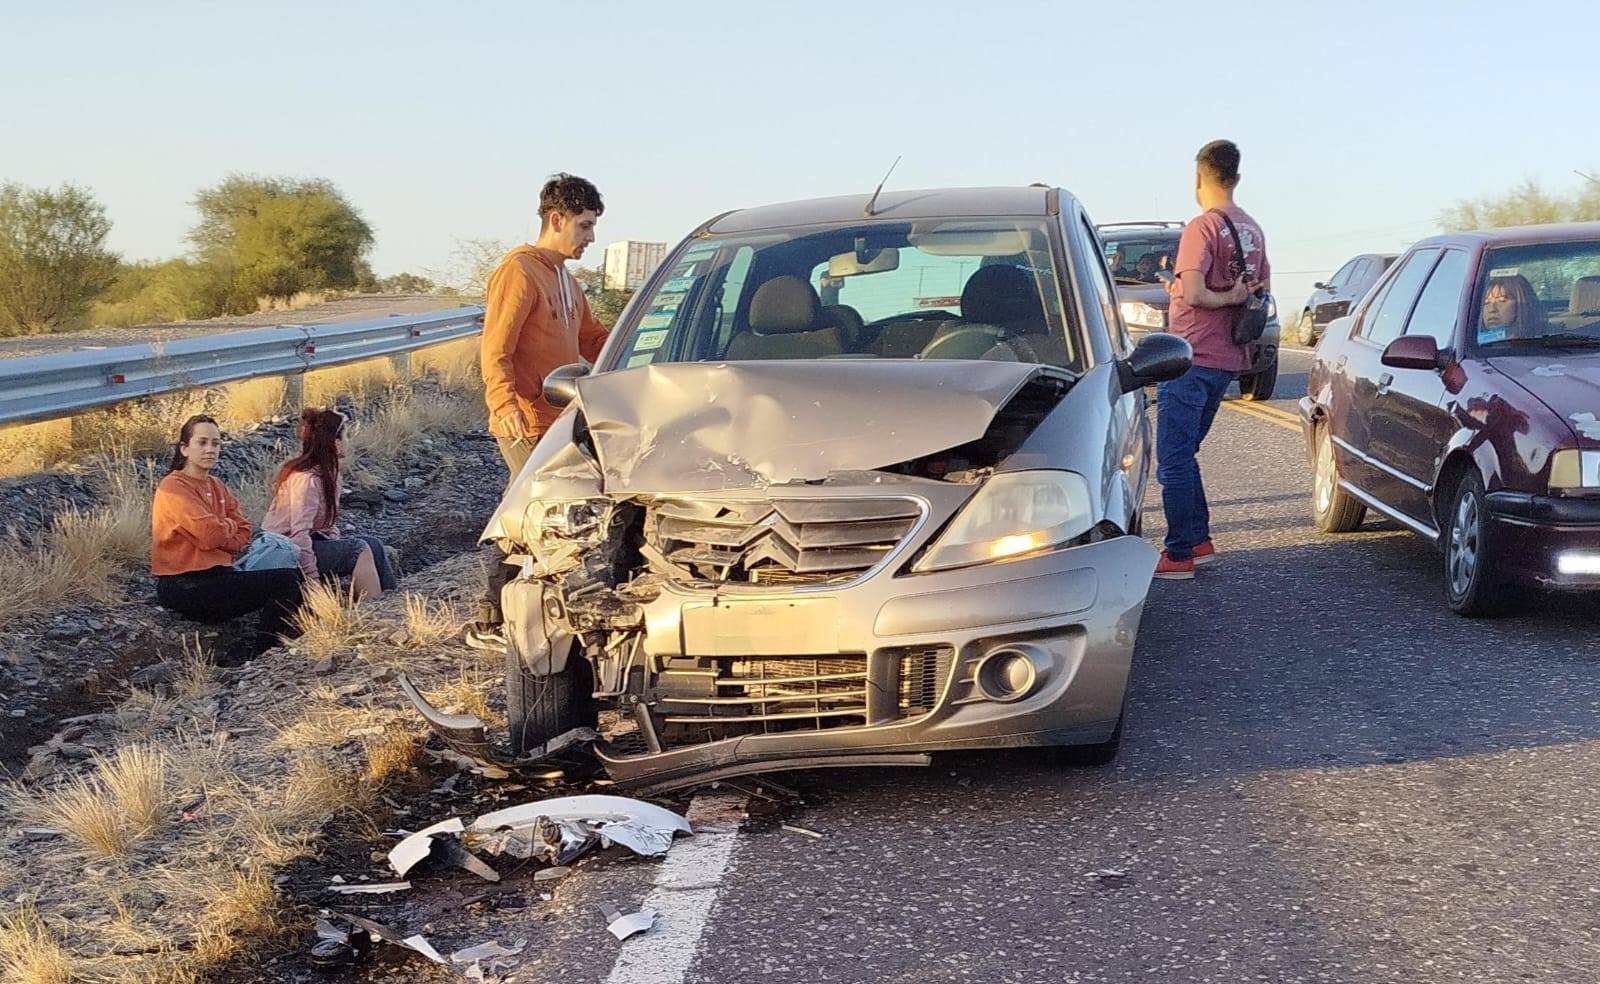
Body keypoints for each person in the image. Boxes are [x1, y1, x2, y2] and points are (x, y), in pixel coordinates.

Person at [468, 173, 610, 650]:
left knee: (539, 512)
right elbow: (495, 349)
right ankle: (489, 620)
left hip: (561, 419)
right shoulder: (519, 272)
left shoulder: (567, 280)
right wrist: (503, 402)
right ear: (557, 219)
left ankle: (519, 615)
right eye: (585, 226)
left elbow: (592, 339)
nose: (591, 237)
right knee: (524, 513)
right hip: (525, 418)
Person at [1154, 139, 1271, 580]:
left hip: (1189, 355)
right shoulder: (1253, 230)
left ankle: (1179, 553)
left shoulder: (1201, 228)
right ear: (1236, 178)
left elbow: (1199, 293)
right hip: (1226, 359)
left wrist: (1209, 294)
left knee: (1173, 459)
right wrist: (1230, 294)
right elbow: (1259, 291)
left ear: (1199, 177)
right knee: (1186, 453)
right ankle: (1198, 539)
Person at [152, 414, 304, 659]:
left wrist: (223, 529)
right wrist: (225, 528)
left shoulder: (216, 485)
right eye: (202, 443)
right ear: (184, 448)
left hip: (218, 575)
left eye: (216, 443)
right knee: (285, 581)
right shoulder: (173, 487)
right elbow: (211, 536)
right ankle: (263, 655)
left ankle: (289, 646)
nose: (210, 449)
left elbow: (244, 533)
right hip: (185, 584)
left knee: (294, 574)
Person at [262, 407, 396, 599]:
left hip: (310, 541)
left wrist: (336, 546)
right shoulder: (306, 479)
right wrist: (313, 580)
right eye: (346, 436)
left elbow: (328, 527)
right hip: (283, 551)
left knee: (373, 544)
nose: (349, 441)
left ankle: (392, 601)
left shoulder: (330, 475)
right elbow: (298, 536)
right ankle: (373, 610)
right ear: (335, 442)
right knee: (359, 549)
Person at [1478, 274, 1543, 343]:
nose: (1492, 309)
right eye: (1486, 303)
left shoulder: (1541, 343)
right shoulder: (1475, 344)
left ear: (1521, 304)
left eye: (1502, 301)